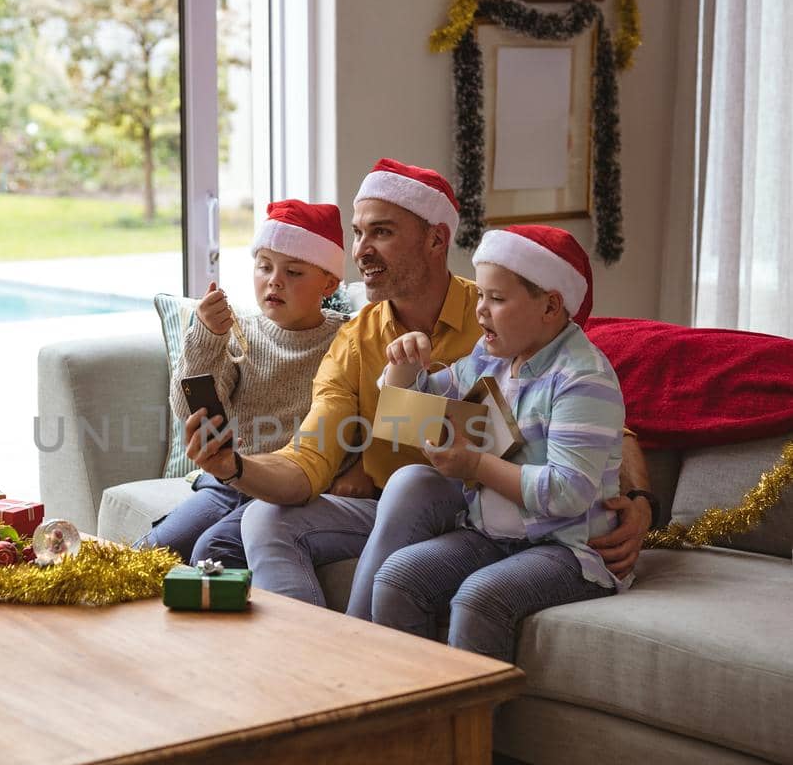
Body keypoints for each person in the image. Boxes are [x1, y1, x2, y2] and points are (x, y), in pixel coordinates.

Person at [182, 158, 653, 603]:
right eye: (358, 233)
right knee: (263, 518)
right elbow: (308, 460)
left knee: (414, 481)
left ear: (436, 240)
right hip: (393, 510)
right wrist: (234, 468)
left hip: (482, 506)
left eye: (382, 233)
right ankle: (315, 663)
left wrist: (638, 501)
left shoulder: (503, 313)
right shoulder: (354, 341)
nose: (361, 252)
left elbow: (609, 428)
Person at [367, 226, 628, 765]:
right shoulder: (493, 357)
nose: (479, 310)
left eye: (497, 298)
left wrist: (476, 464)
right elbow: (410, 415)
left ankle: (459, 764)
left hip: (570, 551)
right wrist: (404, 370)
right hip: (493, 533)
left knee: (481, 597)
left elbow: (566, 492)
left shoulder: (582, 378)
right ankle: (410, 744)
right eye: (480, 295)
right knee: (399, 578)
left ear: (550, 304)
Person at [139, 199, 346, 566]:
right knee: (150, 551)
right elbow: (189, 410)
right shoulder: (242, 333)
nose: (274, 281)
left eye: (294, 272)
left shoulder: (346, 339)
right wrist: (206, 337)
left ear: (328, 282)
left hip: (288, 487)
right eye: (264, 267)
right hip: (229, 482)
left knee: (212, 553)